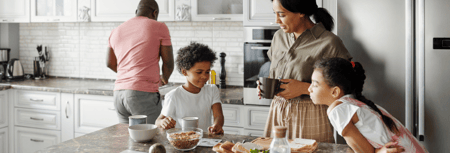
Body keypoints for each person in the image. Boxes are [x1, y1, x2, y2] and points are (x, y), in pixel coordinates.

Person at [260, 0, 352, 142]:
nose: (276, 20)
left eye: (281, 14)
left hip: (311, 114)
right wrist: (264, 87)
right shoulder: (278, 37)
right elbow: (274, 71)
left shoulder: (329, 42)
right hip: (277, 112)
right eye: (275, 14)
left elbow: (346, 90)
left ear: (301, 12)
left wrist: (304, 88)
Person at [308, 57, 428, 153]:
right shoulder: (354, 101)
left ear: (335, 91)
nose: (309, 89)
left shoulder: (337, 110)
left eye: (315, 84)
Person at [107, 0, 174, 124]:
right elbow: (168, 62)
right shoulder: (159, 27)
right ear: (155, 13)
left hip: (118, 94)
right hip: (142, 94)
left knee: (127, 137)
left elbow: (109, 63)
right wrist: (164, 78)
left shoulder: (116, 30)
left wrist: (130, 73)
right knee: (152, 137)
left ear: (136, 12)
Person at [155, 42, 224, 135]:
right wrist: (163, 122)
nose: (204, 76)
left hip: (204, 140)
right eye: (199, 72)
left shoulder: (212, 90)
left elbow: (218, 115)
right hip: (182, 141)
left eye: (207, 72)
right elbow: (158, 121)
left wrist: (217, 125)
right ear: (184, 72)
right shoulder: (173, 96)